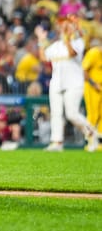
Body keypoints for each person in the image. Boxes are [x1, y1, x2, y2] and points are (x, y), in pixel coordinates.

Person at [36, 15, 99, 152]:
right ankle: (57, 142)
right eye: (62, 26)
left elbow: (72, 53)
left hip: (74, 82)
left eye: (66, 26)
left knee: (72, 114)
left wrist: (67, 37)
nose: (63, 28)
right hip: (57, 82)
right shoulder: (56, 46)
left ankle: (91, 132)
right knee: (56, 113)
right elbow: (43, 57)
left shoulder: (78, 42)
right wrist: (41, 40)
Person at [83, 41, 102, 141]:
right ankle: (90, 140)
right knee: (93, 115)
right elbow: (84, 71)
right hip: (92, 88)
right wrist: (94, 84)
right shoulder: (93, 53)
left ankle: (99, 139)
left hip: (100, 88)